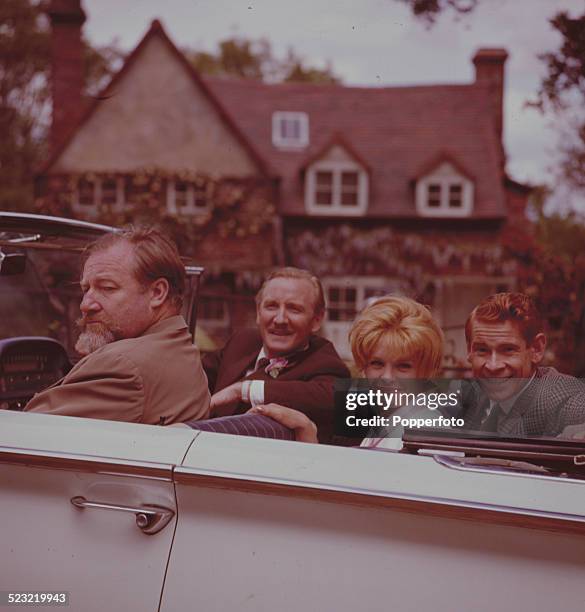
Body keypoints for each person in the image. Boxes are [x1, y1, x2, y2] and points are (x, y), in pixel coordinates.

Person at [25, 227, 210, 425]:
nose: (85, 305)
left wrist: (102, 357)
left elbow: (24, 432)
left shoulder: (123, 367)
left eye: (107, 288)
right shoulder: (181, 349)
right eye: (86, 289)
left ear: (157, 293)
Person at [252, 296, 445, 448]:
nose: (387, 377)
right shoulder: (386, 418)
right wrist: (306, 428)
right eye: (377, 364)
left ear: (426, 370)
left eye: (403, 367)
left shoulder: (425, 426)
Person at [203, 267, 349, 442]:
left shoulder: (324, 361)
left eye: (294, 309)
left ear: (316, 320)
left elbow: (338, 396)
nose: (280, 319)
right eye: (271, 306)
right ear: (258, 313)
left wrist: (243, 390)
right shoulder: (242, 342)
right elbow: (195, 375)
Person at [462, 292, 585, 437]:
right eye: (482, 350)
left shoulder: (564, 400)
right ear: (469, 351)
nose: (493, 366)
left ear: (537, 349)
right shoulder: (472, 398)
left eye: (508, 349)